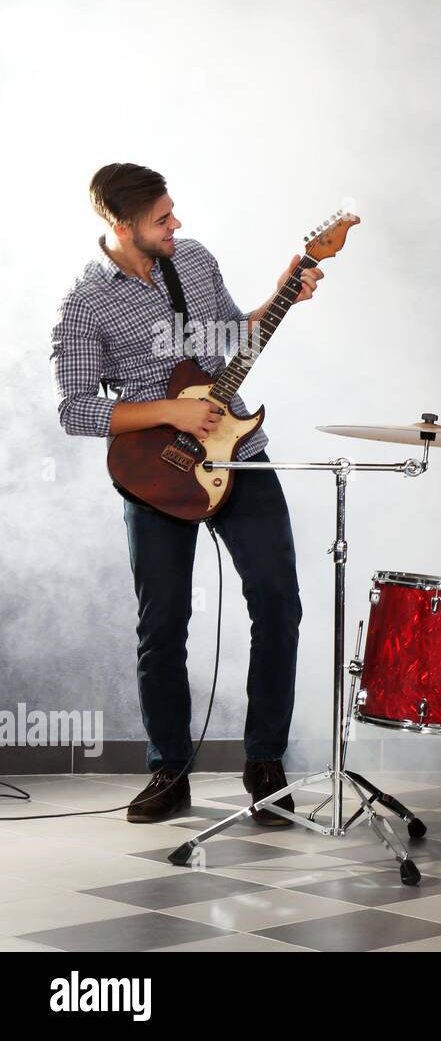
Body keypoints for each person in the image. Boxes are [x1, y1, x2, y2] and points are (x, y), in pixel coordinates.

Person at [50, 163, 324, 824]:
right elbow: (75, 410)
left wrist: (288, 292)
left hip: (242, 455)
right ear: (122, 228)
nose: (178, 226)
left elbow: (236, 338)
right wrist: (168, 414)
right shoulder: (85, 304)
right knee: (163, 626)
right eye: (162, 220)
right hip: (155, 473)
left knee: (279, 607)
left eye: (174, 213)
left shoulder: (194, 260)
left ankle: (265, 765)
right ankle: (169, 771)